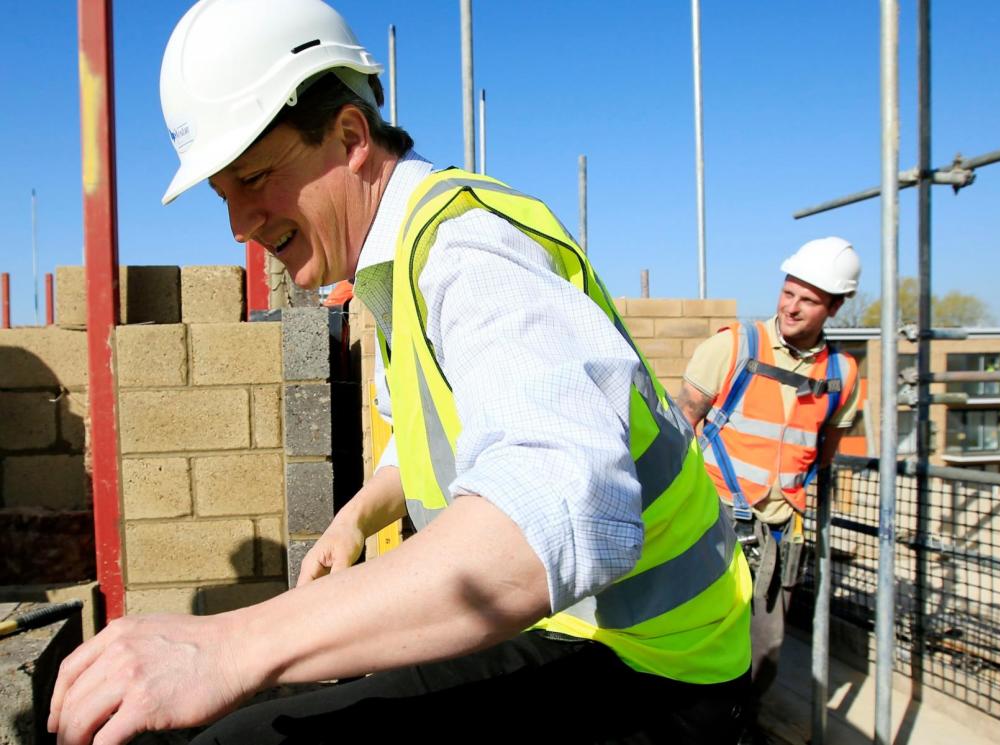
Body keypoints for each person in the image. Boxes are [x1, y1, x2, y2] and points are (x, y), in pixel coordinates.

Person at [48, 1, 751, 742]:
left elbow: (562, 511)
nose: (241, 222)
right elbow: (425, 442)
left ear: (350, 135)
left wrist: (230, 646)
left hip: (657, 672)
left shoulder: (468, 251)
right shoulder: (394, 272)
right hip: (582, 631)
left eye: (254, 177)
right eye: (226, 196)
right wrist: (355, 517)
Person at [675, 237, 861, 712]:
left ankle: (739, 722)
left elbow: (824, 454)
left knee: (765, 650)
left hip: (780, 533)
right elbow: (680, 430)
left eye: (809, 300)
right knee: (693, 638)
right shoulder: (733, 347)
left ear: (835, 306)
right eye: (788, 292)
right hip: (712, 523)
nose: (792, 308)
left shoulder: (842, 371)